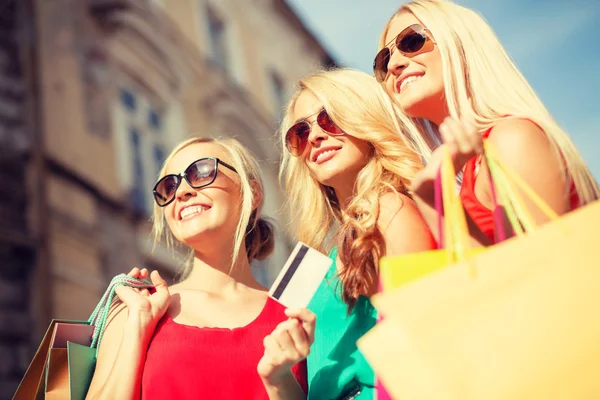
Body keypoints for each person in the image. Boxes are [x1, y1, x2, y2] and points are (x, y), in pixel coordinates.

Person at [85, 137, 310, 400]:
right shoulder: (134, 310)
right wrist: (136, 330)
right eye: (169, 187)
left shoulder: (297, 313)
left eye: (202, 171)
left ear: (252, 193)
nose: (181, 192)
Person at [374, 0, 599, 244]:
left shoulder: (512, 138)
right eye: (384, 61)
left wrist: (433, 198)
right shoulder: (476, 164)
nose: (394, 65)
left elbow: (541, 268)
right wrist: (431, 194)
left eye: (412, 41)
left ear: (460, 45)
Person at [275, 68, 436, 399]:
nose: (316, 137)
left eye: (330, 119)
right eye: (300, 133)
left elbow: (423, 342)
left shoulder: (389, 210)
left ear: (365, 119)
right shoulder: (328, 249)